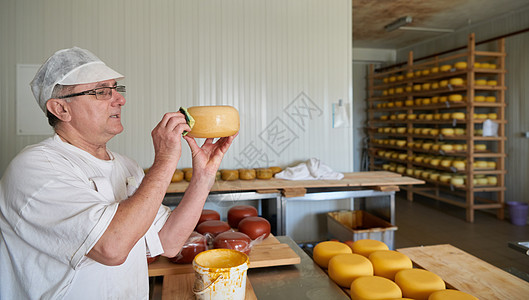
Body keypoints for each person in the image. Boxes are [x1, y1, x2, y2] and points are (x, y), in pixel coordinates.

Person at [0, 47, 237, 299]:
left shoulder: (126, 166)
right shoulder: (35, 167)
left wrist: (203, 175)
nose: (120, 99)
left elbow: (168, 241)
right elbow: (111, 248)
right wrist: (166, 159)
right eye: (102, 92)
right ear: (61, 109)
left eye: (116, 89)